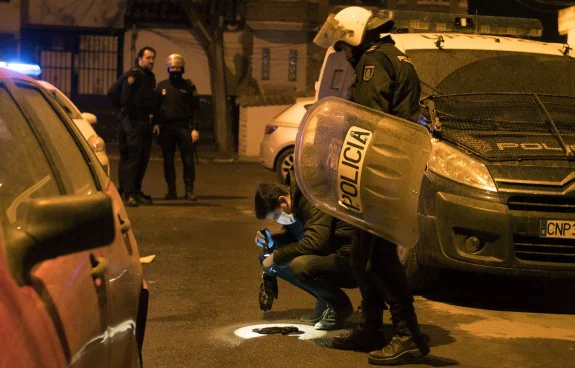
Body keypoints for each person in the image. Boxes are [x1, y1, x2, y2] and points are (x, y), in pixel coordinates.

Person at [314, 6, 430, 365]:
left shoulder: (374, 62)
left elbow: (368, 120)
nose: (345, 57)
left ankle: (407, 333)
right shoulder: (397, 55)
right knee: (362, 255)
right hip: (391, 165)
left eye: (344, 48)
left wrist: (347, 165)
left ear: (354, 36)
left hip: (377, 168)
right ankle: (370, 327)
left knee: (377, 258)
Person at [254, 174, 357, 330]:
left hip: (349, 259)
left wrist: (277, 255)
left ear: (283, 200)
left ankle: (339, 307)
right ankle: (324, 299)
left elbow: (316, 242)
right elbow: (299, 237)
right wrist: (271, 241)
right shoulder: (295, 201)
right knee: (265, 256)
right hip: (328, 251)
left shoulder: (311, 198)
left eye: (276, 216)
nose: (277, 221)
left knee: (299, 265)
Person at [116, 46, 158, 207]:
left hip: (145, 122)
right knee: (131, 158)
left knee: (142, 158)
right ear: (139, 58)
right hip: (132, 122)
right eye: (148, 58)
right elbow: (115, 94)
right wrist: (125, 113)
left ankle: (136, 190)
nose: (151, 61)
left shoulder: (150, 77)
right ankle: (127, 192)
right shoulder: (133, 75)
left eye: (153, 58)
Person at [156, 54, 200, 201]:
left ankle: (189, 190)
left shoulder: (189, 86)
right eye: (172, 67)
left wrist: (195, 128)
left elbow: (195, 108)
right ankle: (171, 190)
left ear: (183, 68)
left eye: (178, 67)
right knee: (168, 160)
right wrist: (156, 124)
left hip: (184, 127)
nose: (175, 70)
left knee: (188, 160)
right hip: (166, 128)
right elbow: (156, 107)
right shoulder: (161, 86)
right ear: (168, 68)